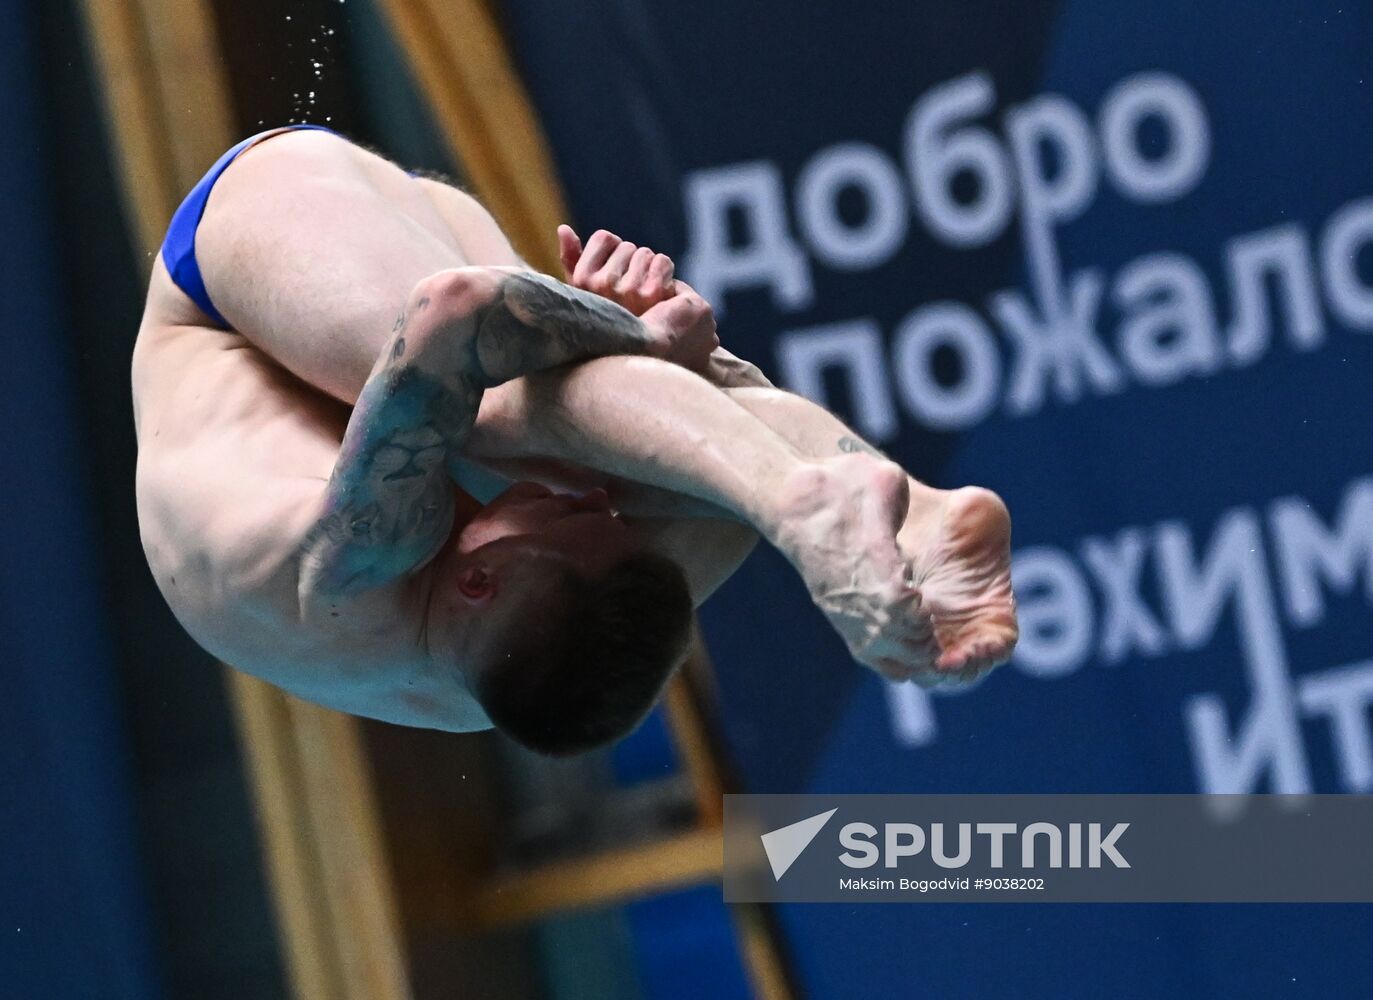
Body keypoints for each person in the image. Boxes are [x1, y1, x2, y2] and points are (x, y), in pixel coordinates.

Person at [132, 126, 1017, 756]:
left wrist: (625, 337)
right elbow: (711, 463)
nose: (593, 501)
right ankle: (913, 514)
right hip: (382, 265)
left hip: (237, 257)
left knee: (499, 419)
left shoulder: (355, 557)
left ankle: (809, 507)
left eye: (573, 518)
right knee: (660, 471)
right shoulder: (509, 662)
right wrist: (682, 359)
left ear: (478, 579)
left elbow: (455, 309)